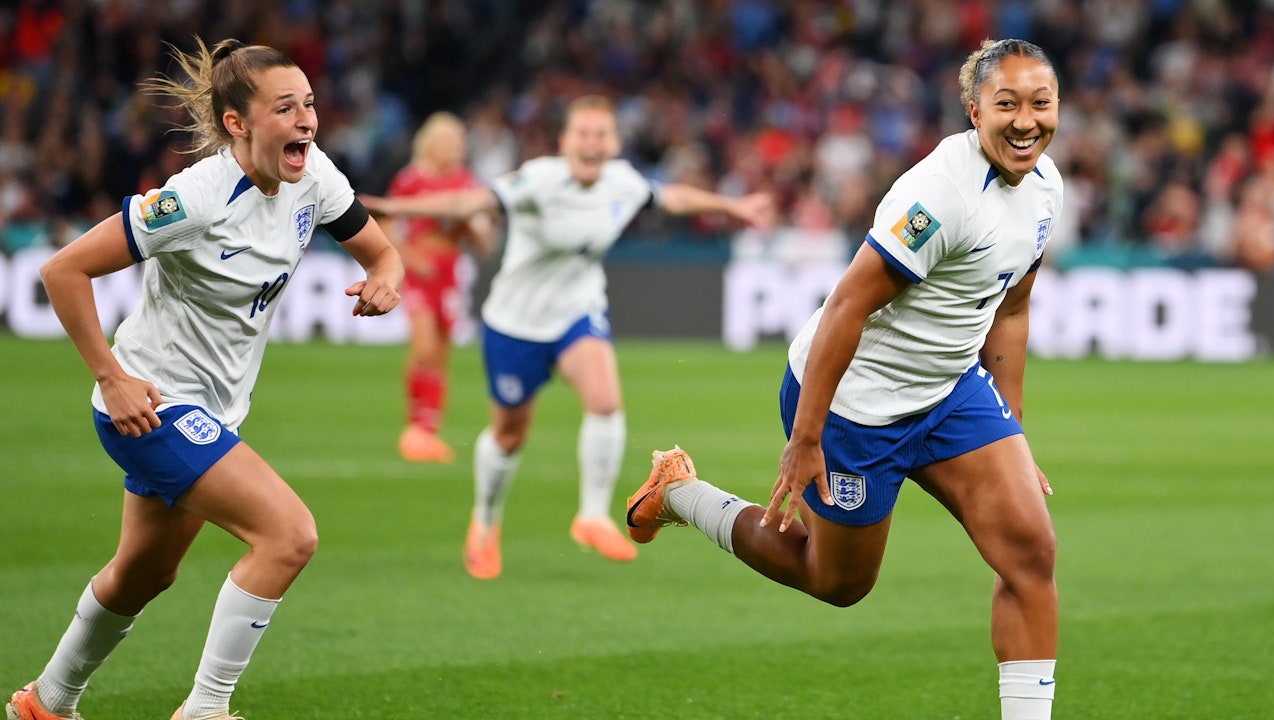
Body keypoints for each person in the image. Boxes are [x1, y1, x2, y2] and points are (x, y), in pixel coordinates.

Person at [626, 38, 1062, 720]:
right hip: (857, 404)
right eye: (1007, 104)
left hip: (950, 390)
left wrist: (1015, 429)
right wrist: (806, 438)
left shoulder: (1045, 188)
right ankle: (681, 493)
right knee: (835, 581)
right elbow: (847, 306)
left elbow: (1011, 307)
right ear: (975, 110)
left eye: (1041, 102)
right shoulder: (941, 195)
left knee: (1032, 555)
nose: (1026, 120)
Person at [6, 37, 402, 720]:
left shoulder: (315, 176)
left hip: (218, 409)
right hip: (152, 403)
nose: (307, 119)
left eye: (309, 103)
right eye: (286, 108)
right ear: (236, 124)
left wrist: (386, 280)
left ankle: (47, 702)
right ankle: (206, 710)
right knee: (289, 535)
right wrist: (113, 377)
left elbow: (381, 250)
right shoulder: (193, 199)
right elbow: (61, 270)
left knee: (146, 572)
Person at [361, 94, 774, 579]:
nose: (591, 143)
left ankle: (593, 516)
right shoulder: (539, 179)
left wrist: (733, 207)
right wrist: (395, 205)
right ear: (566, 142)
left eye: (601, 134)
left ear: (614, 143)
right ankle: (485, 522)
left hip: (578, 310)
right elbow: (468, 201)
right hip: (516, 321)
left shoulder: (623, 182)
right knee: (510, 433)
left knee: (605, 401)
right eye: (583, 134)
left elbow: (673, 197)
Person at [382, 112, 495, 463]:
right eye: (446, 140)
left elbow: (486, 242)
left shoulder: (467, 184)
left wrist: (473, 226)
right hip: (421, 270)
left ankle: (428, 431)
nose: (453, 147)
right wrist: (410, 256)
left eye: (457, 141)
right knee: (424, 345)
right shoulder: (411, 180)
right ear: (430, 143)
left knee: (442, 353)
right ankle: (414, 427)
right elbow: (385, 223)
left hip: (450, 273)